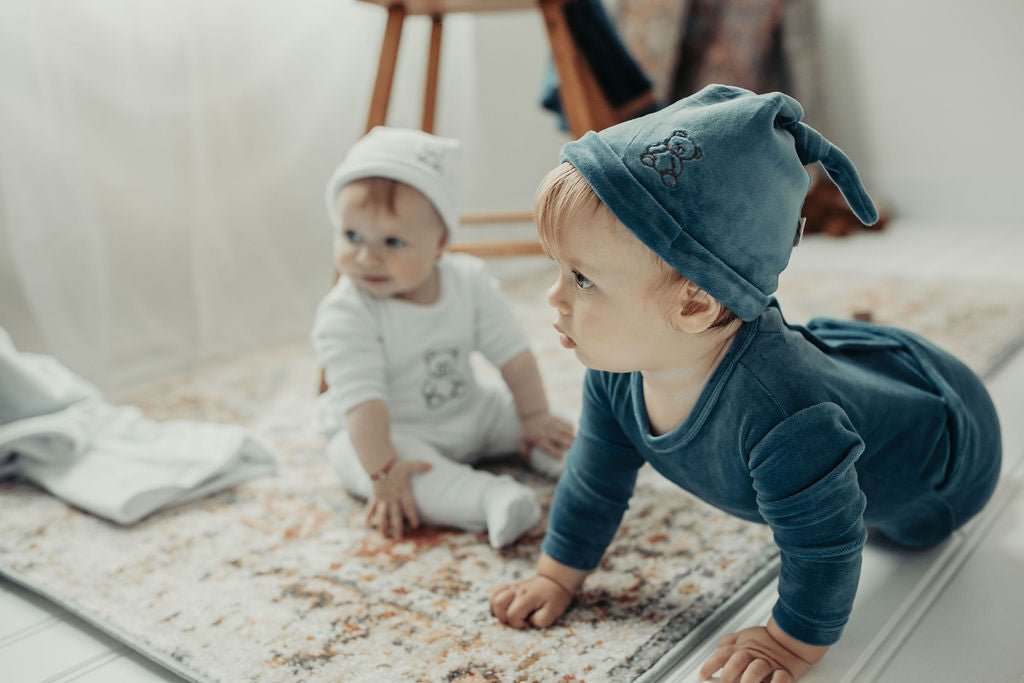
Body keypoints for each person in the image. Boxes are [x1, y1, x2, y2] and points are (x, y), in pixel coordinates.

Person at [489, 85, 1001, 682]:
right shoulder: (617, 374)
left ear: (694, 306)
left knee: (884, 517)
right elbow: (594, 481)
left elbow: (827, 546)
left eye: (581, 279)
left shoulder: (782, 417)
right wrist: (557, 573)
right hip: (861, 372)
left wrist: (790, 644)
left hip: (953, 452)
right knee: (822, 370)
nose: (552, 296)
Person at [312, 126, 574, 549]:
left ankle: (582, 461)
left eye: (392, 241)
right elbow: (365, 406)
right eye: (351, 236)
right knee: (355, 457)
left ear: (440, 244)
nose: (366, 257)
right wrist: (382, 474)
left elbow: (514, 355)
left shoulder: (468, 281)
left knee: (546, 420)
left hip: (470, 409)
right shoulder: (346, 313)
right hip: (394, 432)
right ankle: (491, 499)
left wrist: (534, 417)